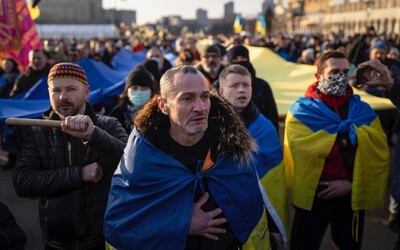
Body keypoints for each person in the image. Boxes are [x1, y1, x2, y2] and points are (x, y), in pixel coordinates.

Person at [104, 65, 272, 249]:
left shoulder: (231, 153)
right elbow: (120, 228)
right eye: (187, 98)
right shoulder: (141, 158)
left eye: (205, 97)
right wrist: (180, 224)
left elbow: (252, 218)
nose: (200, 108)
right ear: (163, 106)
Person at [12, 62, 128, 249]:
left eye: (71, 89)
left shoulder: (108, 125)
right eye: (56, 90)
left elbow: (131, 164)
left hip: (102, 239)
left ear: (87, 92)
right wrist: (79, 174)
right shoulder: (37, 131)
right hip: (56, 242)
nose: (63, 97)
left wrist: (93, 135)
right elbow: (22, 182)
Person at [284, 51, 390, 250]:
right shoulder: (301, 111)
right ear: (319, 76)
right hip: (315, 196)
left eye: (344, 71)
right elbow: (301, 151)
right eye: (334, 71)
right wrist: (346, 138)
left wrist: (349, 184)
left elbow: (376, 154)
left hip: (351, 194)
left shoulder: (363, 111)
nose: (340, 76)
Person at [217, 64, 290, 249]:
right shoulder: (206, 124)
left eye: (246, 85)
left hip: (256, 214)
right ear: (221, 90)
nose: (242, 90)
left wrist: (273, 227)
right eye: (234, 85)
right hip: (218, 216)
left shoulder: (265, 128)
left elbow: (272, 185)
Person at [223, 45, 280, 132]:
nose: (239, 61)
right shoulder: (219, 86)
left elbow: (272, 115)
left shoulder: (262, 86)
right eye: (235, 58)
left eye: (243, 58)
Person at [110, 64, 155, 134]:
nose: (139, 92)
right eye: (134, 88)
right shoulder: (117, 113)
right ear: (127, 91)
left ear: (151, 92)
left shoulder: (158, 115)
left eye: (144, 88)